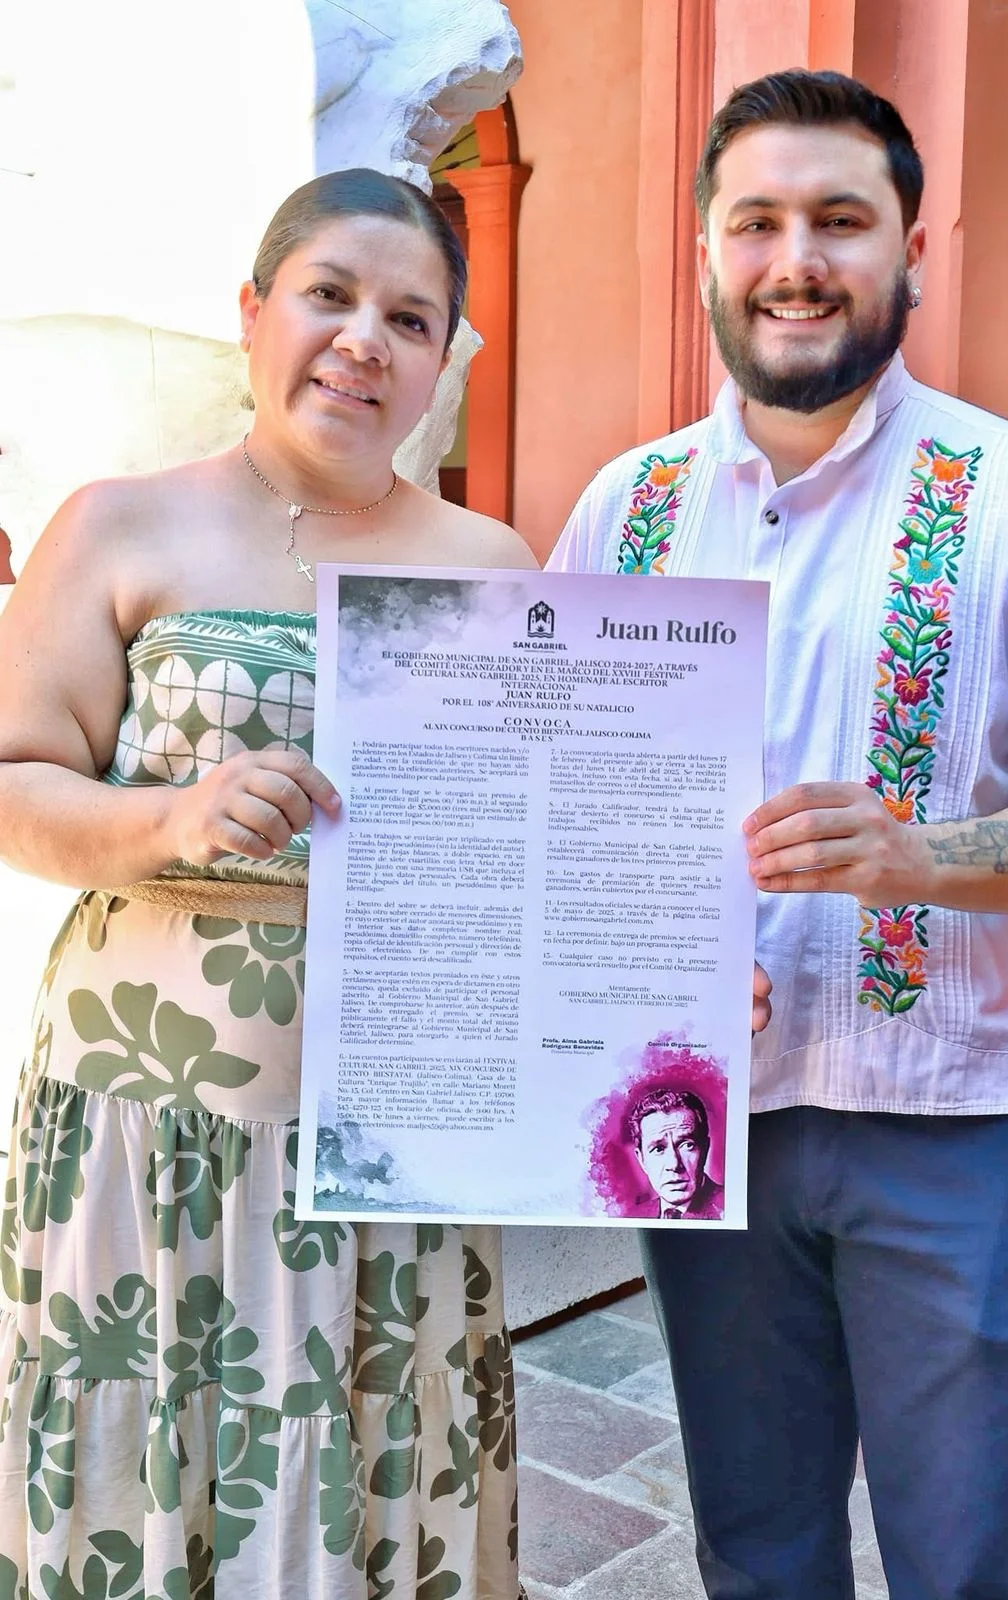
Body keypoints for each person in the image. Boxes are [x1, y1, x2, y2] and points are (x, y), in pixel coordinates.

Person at [548, 69, 1008, 1600]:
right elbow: (563, 801)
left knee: (963, 1566)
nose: (796, 260)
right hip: (708, 1117)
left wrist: (921, 859)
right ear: (707, 253)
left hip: (967, 1126)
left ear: (912, 250)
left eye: (840, 219)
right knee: (756, 1549)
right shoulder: (628, 511)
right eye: (756, 221)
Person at [0, 168, 535, 1600]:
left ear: (441, 359)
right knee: (150, 1460)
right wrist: (172, 818)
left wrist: (655, 976)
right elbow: (14, 783)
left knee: (375, 1441)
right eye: (329, 296)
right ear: (253, 313)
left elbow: (532, 856)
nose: (364, 341)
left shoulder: (492, 565)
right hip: (147, 1133)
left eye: (410, 319)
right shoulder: (118, 527)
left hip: (396, 1130)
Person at [627, 1087, 725, 1219]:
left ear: (705, 1148)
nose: (674, 1164)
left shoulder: (730, 1207)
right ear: (642, 1159)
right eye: (658, 1149)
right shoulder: (632, 1217)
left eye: (687, 1145)